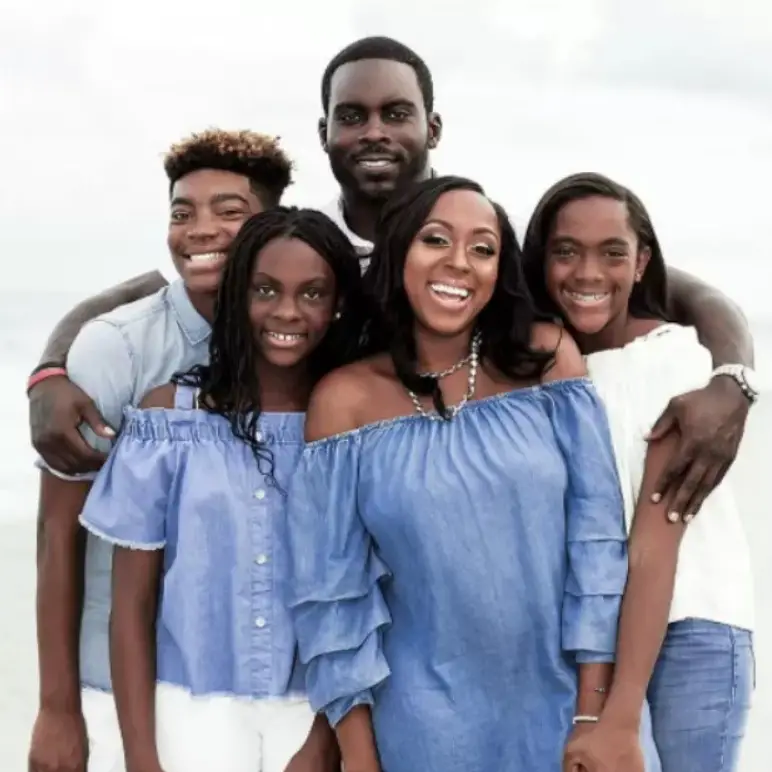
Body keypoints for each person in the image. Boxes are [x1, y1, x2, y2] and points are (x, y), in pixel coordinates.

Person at [27, 38, 756, 522]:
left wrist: (733, 380)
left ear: (432, 128)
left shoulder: (476, 248)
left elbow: (673, 286)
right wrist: (51, 369)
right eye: (353, 116)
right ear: (324, 136)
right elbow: (150, 286)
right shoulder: (303, 254)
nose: (374, 131)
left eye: (396, 114)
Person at [283, 175, 662, 772]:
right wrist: (358, 764)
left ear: (499, 270)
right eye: (436, 239)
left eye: (483, 248)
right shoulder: (343, 401)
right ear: (400, 250)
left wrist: (592, 713)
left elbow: (596, 546)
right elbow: (332, 597)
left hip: (565, 711)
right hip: (421, 734)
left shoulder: (547, 359)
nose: (459, 263)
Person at [27, 130, 297, 772]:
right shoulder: (118, 347)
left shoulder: (301, 335)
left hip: (264, 688)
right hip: (116, 683)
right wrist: (59, 708)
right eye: (182, 212)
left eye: (229, 211)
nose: (199, 230)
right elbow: (57, 530)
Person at [77, 207, 367, 772]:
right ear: (237, 297)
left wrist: (324, 743)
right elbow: (131, 607)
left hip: (317, 704)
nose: (287, 312)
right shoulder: (170, 421)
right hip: (190, 704)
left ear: (337, 305)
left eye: (312, 293)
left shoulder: (355, 424)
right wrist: (141, 760)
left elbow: (370, 597)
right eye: (265, 290)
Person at [521, 172, 755, 772]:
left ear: (642, 260)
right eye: (565, 252)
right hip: (590, 641)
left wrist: (620, 712)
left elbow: (655, 545)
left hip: (690, 629)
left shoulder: (674, 358)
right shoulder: (540, 366)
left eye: (613, 253)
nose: (588, 273)